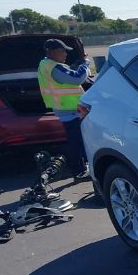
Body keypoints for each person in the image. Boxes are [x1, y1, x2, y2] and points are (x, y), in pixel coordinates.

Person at [37, 39, 92, 179]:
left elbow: (67, 75)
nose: (65, 54)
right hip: (70, 109)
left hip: (65, 108)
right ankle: (79, 171)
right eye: (62, 51)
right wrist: (85, 64)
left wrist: (77, 64)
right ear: (52, 52)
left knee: (77, 141)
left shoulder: (45, 64)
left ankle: (82, 167)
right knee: (77, 142)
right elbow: (77, 78)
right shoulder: (54, 67)